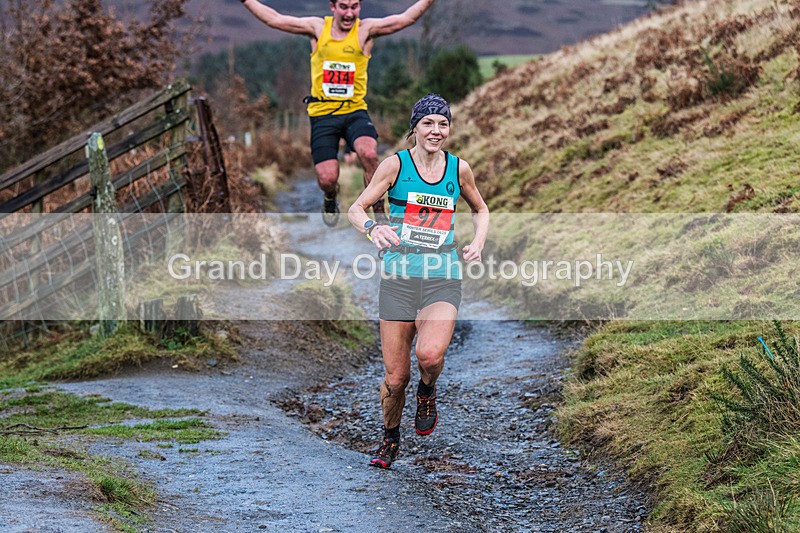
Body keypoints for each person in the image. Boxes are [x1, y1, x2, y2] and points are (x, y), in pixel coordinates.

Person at [348, 94, 489, 469]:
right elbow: (356, 207)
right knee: (396, 378)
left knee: (429, 355)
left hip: (442, 276)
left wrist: (477, 242)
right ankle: (390, 439)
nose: (436, 130)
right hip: (399, 277)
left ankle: (428, 391)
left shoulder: (459, 169)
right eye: (428, 123)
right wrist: (372, 228)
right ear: (415, 128)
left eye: (443, 123)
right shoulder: (394, 165)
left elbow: (481, 208)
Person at [240, 0, 437, 226]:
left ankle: (379, 212)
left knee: (369, 154)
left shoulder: (366, 30)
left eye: (355, 7)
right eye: (344, 6)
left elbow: (406, 18)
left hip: (354, 110)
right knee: (327, 178)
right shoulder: (317, 28)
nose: (350, 13)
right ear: (332, 7)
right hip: (323, 113)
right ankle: (330, 195)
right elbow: (273, 19)